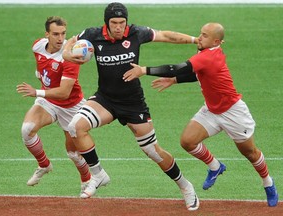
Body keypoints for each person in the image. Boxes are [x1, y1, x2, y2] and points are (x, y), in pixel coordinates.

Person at [123, 22, 279, 207]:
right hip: (211, 110)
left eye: (204, 35)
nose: (199, 37)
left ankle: (268, 183)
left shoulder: (209, 56)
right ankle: (215, 166)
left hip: (233, 113)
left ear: (216, 41)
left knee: (250, 153)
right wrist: (174, 81)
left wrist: (144, 70)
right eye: (200, 33)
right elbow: (196, 74)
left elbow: (178, 67)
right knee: (187, 141)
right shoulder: (206, 53)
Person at [62, 2, 199, 211]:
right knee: (75, 127)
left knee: (153, 151)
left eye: (122, 22)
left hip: (133, 103)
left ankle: (185, 186)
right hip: (105, 99)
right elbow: (70, 42)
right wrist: (67, 54)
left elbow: (166, 36)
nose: (118, 27)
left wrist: (194, 40)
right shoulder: (92, 34)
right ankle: (98, 174)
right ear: (106, 23)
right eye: (114, 23)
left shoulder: (137, 33)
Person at [16, 16, 91, 196]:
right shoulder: (38, 46)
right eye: (55, 34)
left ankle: (86, 179)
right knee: (27, 130)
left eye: (63, 34)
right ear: (47, 35)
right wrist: (40, 75)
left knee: (73, 153)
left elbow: (64, 92)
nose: (60, 38)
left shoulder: (71, 55)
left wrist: (37, 92)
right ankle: (44, 165)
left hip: (71, 106)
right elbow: (41, 65)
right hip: (49, 102)